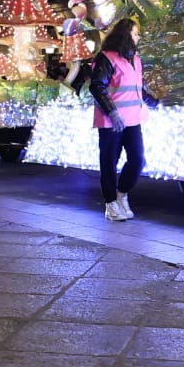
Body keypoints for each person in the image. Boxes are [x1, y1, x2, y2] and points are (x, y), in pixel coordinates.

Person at [74, 20, 147, 222]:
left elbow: (138, 88)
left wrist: (155, 100)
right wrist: (112, 113)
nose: (138, 37)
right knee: (109, 162)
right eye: (135, 33)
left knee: (137, 159)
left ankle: (122, 194)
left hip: (133, 120)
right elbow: (97, 86)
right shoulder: (106, 58)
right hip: (111, 121)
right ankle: (110, 203)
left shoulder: (136, 60)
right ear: (125, 35)